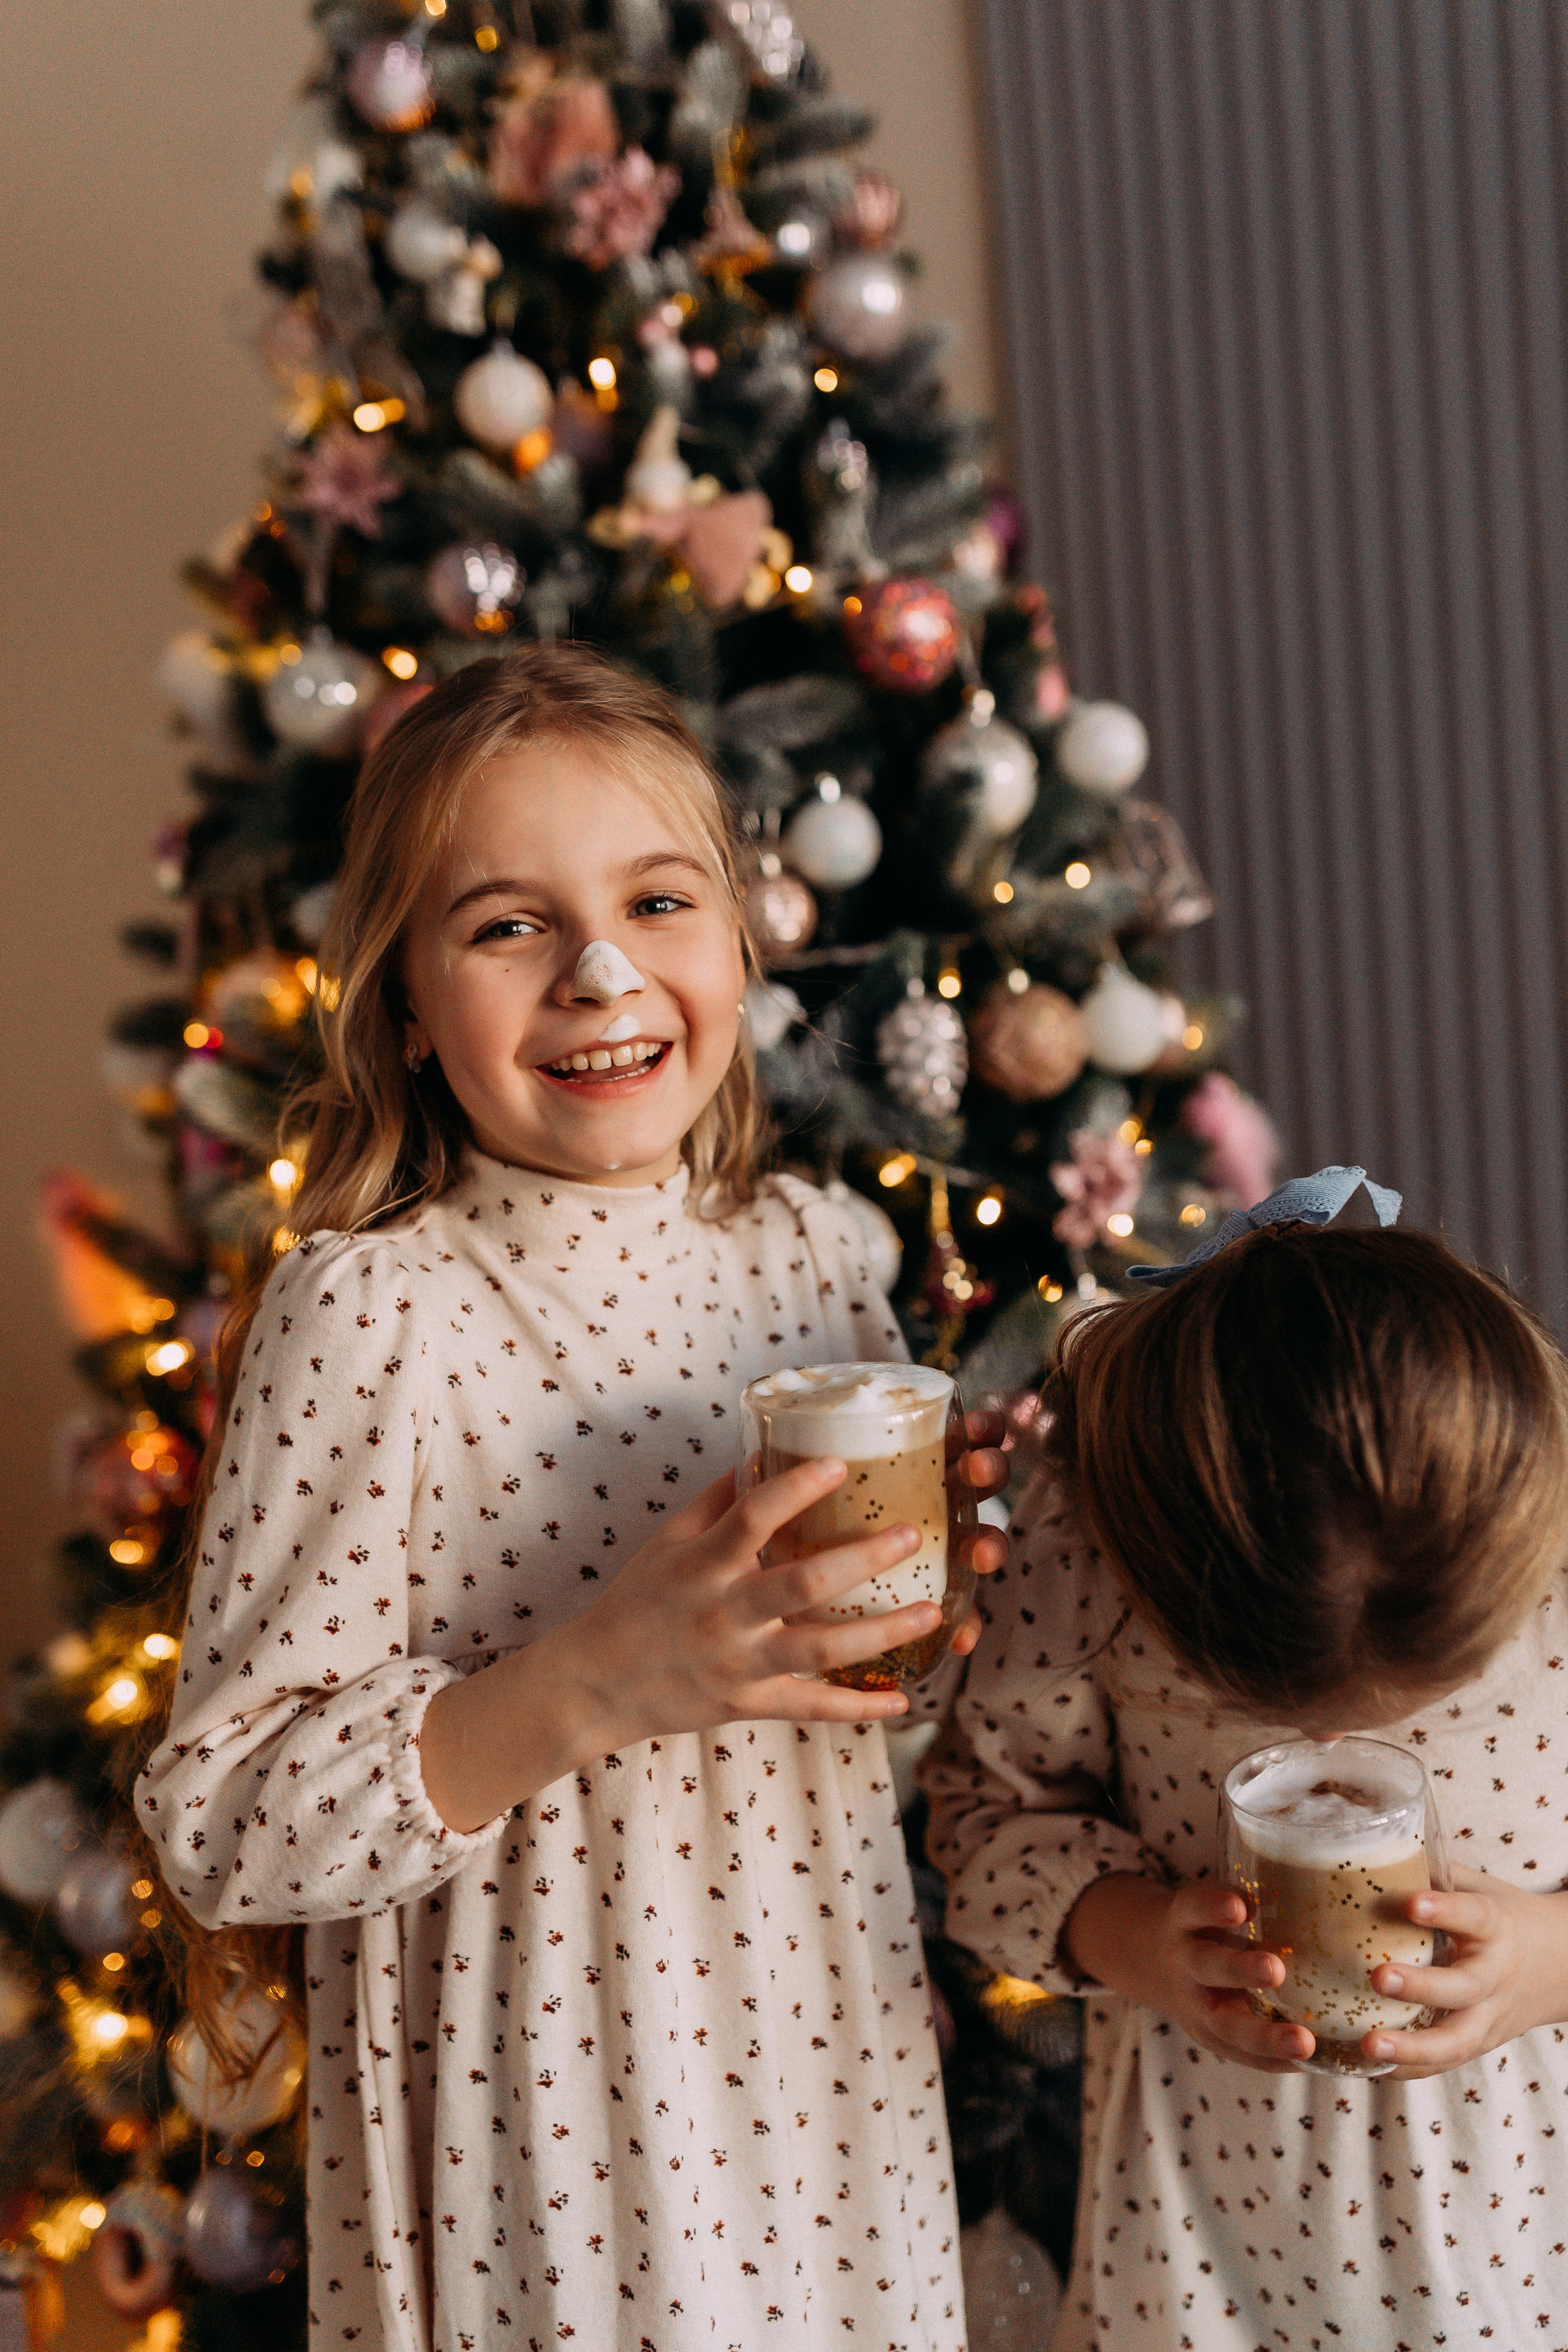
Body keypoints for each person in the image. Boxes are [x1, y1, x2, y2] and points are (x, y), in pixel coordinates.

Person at [137, 645, 1008, 2352]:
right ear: (403, 1001)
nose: (604, 971)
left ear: (742, 948)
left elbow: (883, 1721)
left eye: (659, 900)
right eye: (509, 926)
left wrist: (944, 1609)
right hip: (545, 2148)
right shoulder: (377, 1314)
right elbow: (224, 1818)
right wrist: (594, 1679)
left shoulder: (819, 1259)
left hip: (826, 2085)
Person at [921, 1171, 1568, 2350]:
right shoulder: (1093, 1548)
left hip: (1521, 2229)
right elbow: (982, 1819)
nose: (1326, 1749)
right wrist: (1139, 1942)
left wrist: (1550, 1961)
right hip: (1201, 2234)